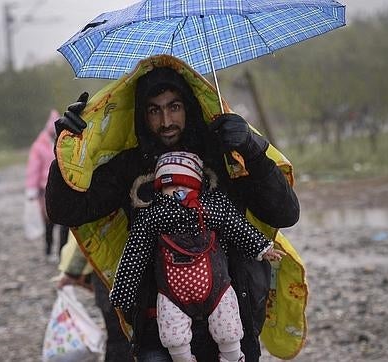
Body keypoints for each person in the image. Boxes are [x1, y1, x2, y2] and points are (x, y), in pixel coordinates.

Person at [46, 63, 299, 361]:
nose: (166, 121)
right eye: (154, 110)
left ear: (189, 106)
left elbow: (285, 213)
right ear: (142, 114)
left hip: (231, 320)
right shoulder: (132, 166)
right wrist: (64, 152)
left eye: (174, 107)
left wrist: (253, 149)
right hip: (160, 332)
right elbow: (66, 210)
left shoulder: (225, 155)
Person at [110, 151, 285, 362]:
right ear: (159, 188)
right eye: (169, 186)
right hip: (171, 294)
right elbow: (134, 255)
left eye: (185, 185)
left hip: (217, 288)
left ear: (197, 186)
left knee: (228, 329)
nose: (177, 191)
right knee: (174, 336)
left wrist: (262, 247)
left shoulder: (212, 208)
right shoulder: (153, 216)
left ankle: (233, 357)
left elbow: (237, 226)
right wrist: (123, 292)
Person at [25, 110, 69, 261]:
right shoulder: (39, 146)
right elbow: (33, 169)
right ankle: (49, 250)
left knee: (65, 223)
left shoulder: (66, 141)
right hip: (45, 190)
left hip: (63, 188)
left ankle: (62, 253)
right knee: (49, 222)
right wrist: (31, 190)